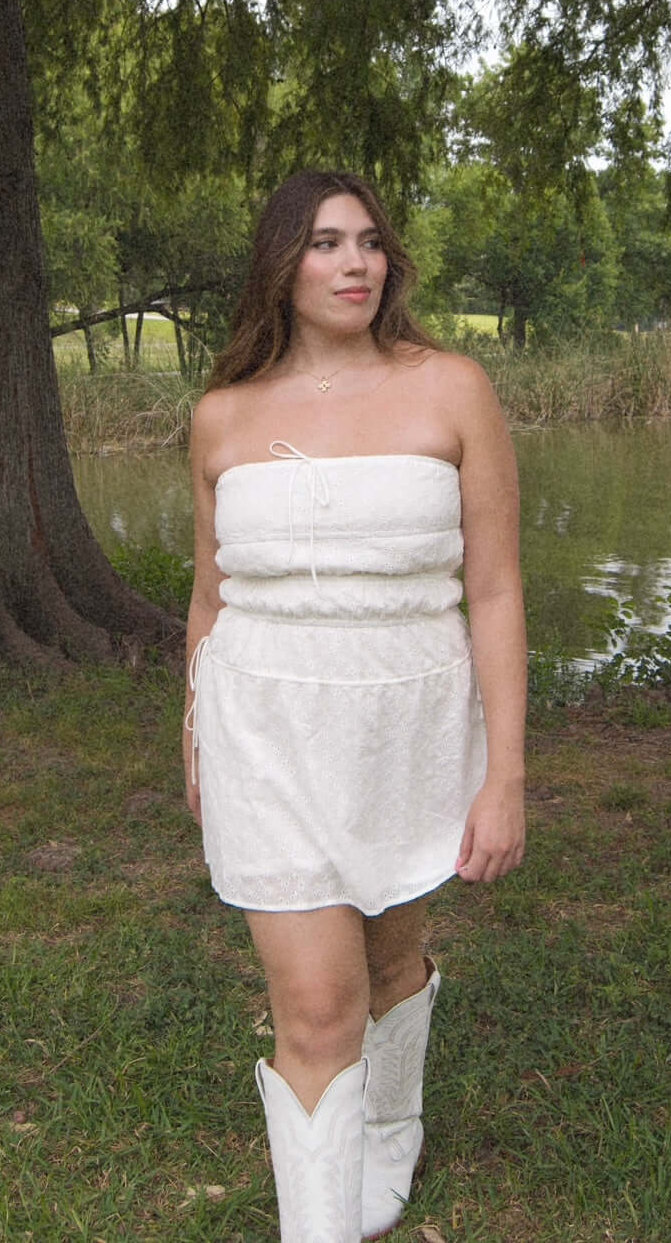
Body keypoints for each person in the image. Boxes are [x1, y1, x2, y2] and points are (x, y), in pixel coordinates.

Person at [185, 170, 527, 1242]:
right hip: (264, 737)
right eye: (328, 243)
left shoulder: (453, 388)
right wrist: (193, 736)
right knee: (320, 1010)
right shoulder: (222, 418)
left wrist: (505, 775)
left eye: (370, 243)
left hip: (412, 730)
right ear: (282, 266)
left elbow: (499, 589)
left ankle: (395, 1124)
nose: (355, 264)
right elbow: (209, 595)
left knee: (389, 965)